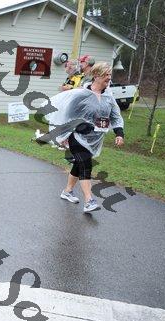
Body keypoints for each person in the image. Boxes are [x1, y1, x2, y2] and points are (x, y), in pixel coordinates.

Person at [46, 63, 124, 212]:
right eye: (106, 74)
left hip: (95, 139)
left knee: (79, 164)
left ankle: (67, 191)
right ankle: (89, 201)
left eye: (110, 74)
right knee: (86, 164)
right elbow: (67, 114)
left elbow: (115, 116)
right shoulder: (81, 94)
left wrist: (119, 133)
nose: (109, 77)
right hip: (77, 136)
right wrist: (73, 129)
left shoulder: (109, 97)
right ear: (96, 76)